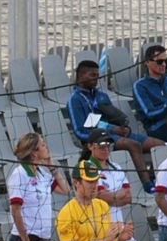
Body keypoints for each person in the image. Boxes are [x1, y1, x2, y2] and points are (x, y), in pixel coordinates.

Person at [67, 60, 160, 192]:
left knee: (161, 145)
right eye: (92, 75)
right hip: (100, 139)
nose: (96, 79)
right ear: (81, 76)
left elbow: (114, 118)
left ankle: (158, 179)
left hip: (116, 134)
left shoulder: (101, 95)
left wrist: (123, 127)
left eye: (97, 75)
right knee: (133, 145)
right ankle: (147, 185)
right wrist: (109, 130)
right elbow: (79, 132)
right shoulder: (75, 100)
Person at [7, 132, 70, 241]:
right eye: (42, 145)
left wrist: (52, 168)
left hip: (43, 239)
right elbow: (15, 210)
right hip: (26, 239)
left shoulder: (42, 173)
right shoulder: (19, 174)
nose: (46, 147)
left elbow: (65, 190)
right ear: (34, 153)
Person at [80, 129, 133, 241]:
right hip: (100, 233)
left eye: (108, 145)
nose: (106, 149)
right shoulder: (89, 169)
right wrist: (117, 195)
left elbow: (129, 196)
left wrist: (111, 196)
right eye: (101, 145)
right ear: (90, 146)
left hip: (119, 230)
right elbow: (100, 197)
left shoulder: (116, 167)